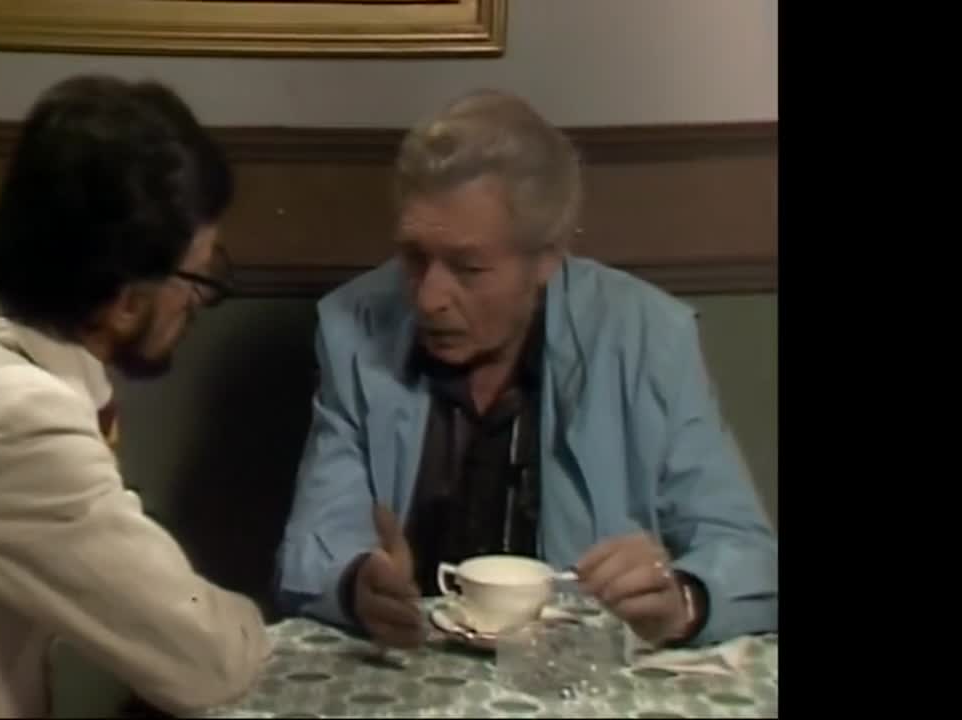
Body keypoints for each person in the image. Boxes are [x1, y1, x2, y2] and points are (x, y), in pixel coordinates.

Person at [273, 89, 777, 651]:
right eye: (413, 257)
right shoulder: (354, 326)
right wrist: (353, 585)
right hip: (409, 665)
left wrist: (683, 600)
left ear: (546, 258)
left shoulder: (647, 338)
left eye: (468, 267)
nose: (429, 298)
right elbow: (314, 546)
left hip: (576, 674)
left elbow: (746, 553)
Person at [0, 75, 268, 718]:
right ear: (124, 301)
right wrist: (249, 621)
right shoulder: (16, 424)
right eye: (196, 277)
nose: (198, 302)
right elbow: (207, 660)